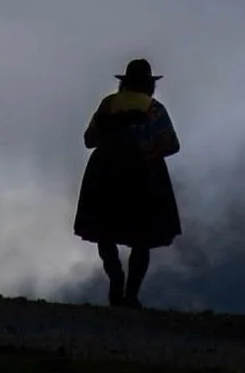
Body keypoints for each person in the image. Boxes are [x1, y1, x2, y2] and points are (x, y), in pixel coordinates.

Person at [73, 58, 181, 308]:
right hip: (144, 175)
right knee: (142, 236)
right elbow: (172, 144)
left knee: (104, 229)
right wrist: (148, 151)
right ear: (148, 85)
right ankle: (131, 295)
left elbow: (90, 139)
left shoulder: (107, 105)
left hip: (104, 172)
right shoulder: (155, 110)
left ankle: (115, 276)